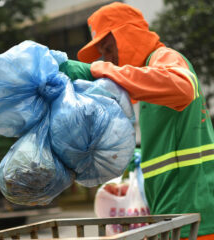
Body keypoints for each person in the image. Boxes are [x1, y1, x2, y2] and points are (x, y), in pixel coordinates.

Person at [59, 2, 214, 239]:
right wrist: (139, 161)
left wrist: (100, 71)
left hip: (192, 214)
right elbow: (172, 146)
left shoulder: (165, 58)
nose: (109, 59)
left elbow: (183, 88)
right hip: (176, 212)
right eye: (104, 55)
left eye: (110, 49)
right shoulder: (149, 79)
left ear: (129, 36)